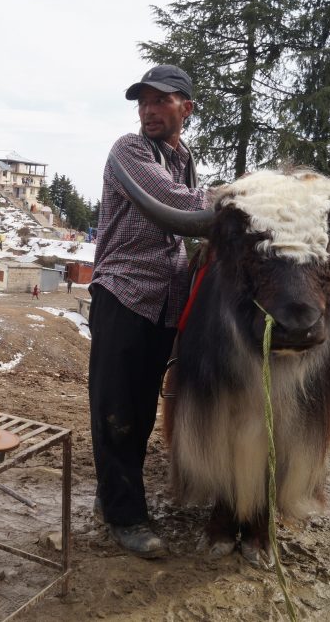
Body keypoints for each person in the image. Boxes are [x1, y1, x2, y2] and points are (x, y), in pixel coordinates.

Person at [87, 64, 207, 558]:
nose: (149, 110)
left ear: (187, 108)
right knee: (116, 408)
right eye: (143, 101)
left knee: (139, 409)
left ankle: (114, 497)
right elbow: (172, 203)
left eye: (161, 101)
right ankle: (125, 517)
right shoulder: (129, 150)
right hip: (124, 294)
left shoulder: (185, 159)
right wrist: (246, 199)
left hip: (163, 305)